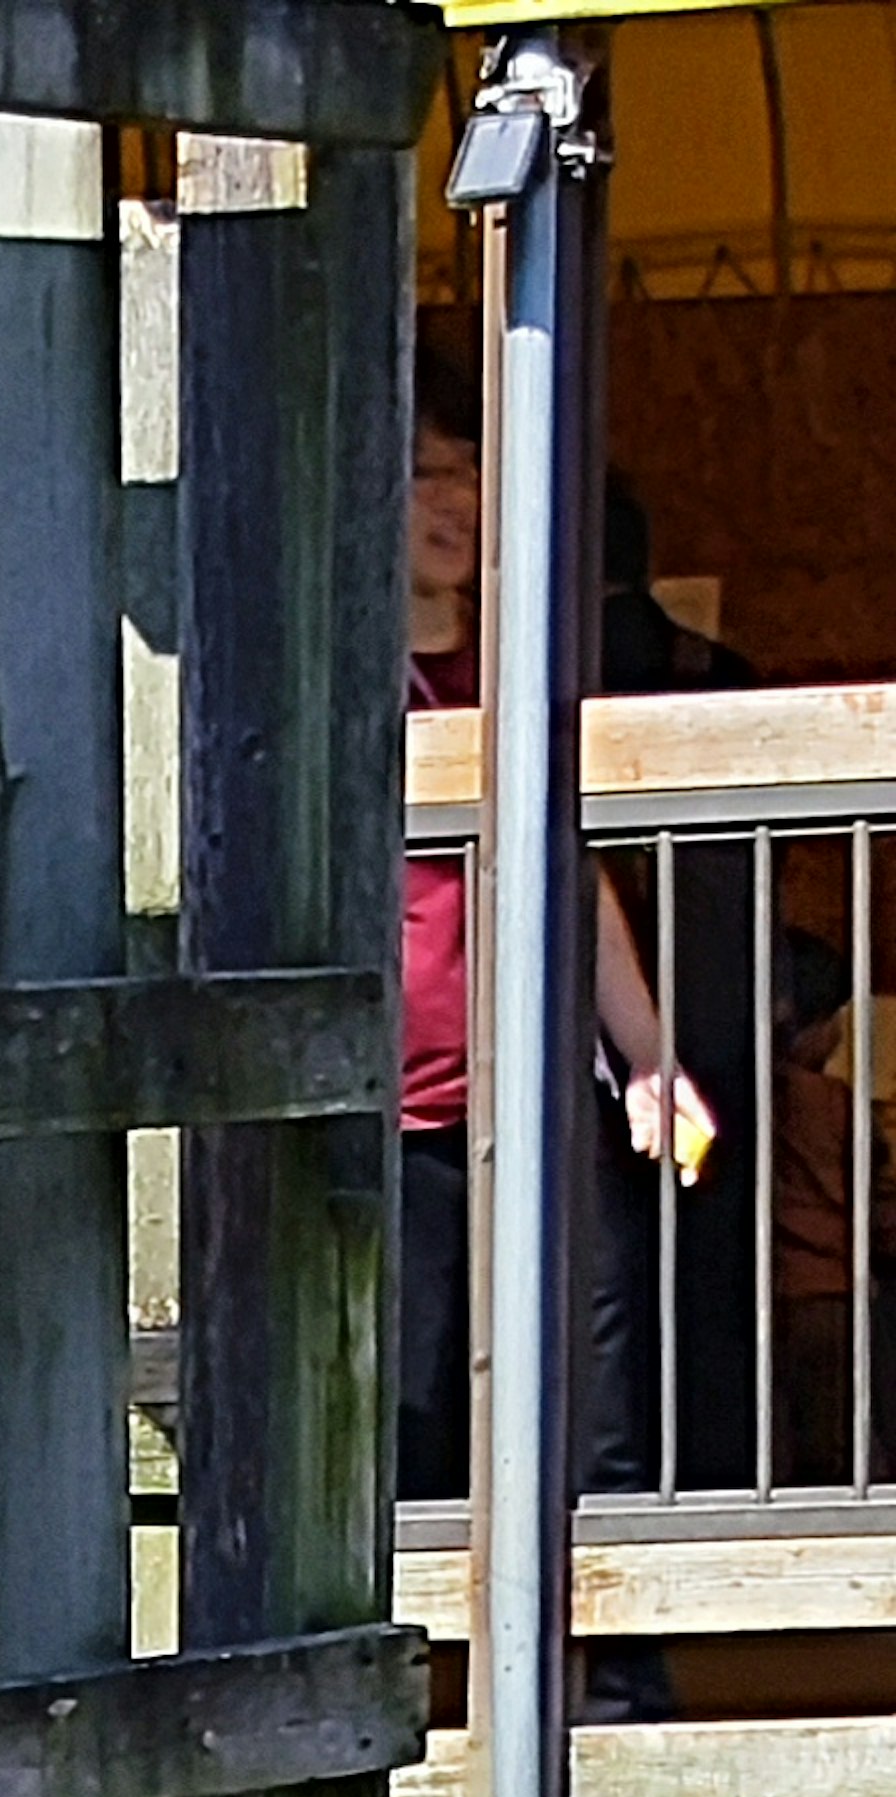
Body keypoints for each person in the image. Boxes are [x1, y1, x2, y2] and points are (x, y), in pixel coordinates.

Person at [400, 319, 712, 1536]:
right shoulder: (321, 667)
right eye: (431, 471)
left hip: (532, 1097)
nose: (458, 500)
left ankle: (621, 1694)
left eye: (471, 470)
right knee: (415, 1416)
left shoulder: (514, 662)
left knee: (598, 1414)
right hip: (397, 1116)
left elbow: (570, 877)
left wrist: (644, 1054)